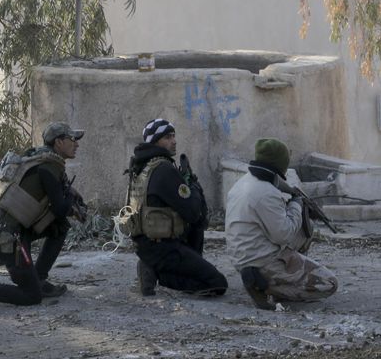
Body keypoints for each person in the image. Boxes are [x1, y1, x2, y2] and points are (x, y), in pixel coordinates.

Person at [0, 121, 85, 307]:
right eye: (72, 139)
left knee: (59, 228)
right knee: (31, 297)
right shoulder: (48, 167)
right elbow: (60, 210)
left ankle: (39, 280)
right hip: (9, 238)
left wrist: (69, 199)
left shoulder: (42, 160)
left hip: (14, 229)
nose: (76, 144)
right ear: (58, 143)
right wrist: (71, 200)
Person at [225, 138, 338, 309]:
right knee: (329, 283)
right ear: (280, 164)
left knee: (306, 229)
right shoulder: (266, 192)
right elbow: (283, 235)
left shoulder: (244, 182)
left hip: (242, 254)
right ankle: (267, 286)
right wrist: (296, 205)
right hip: (261, 261)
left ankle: (279, 278)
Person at [126, 119, 227, 297]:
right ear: (155, 141)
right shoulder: (164, 169)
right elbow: (194, 213)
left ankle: (153, 265)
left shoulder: (141, 167)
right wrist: (193, 186)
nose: (174, 141)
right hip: (164, 248)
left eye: (173, 136)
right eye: (167, 137)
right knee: (217, 283)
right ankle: (156, 273)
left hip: (147, 244)